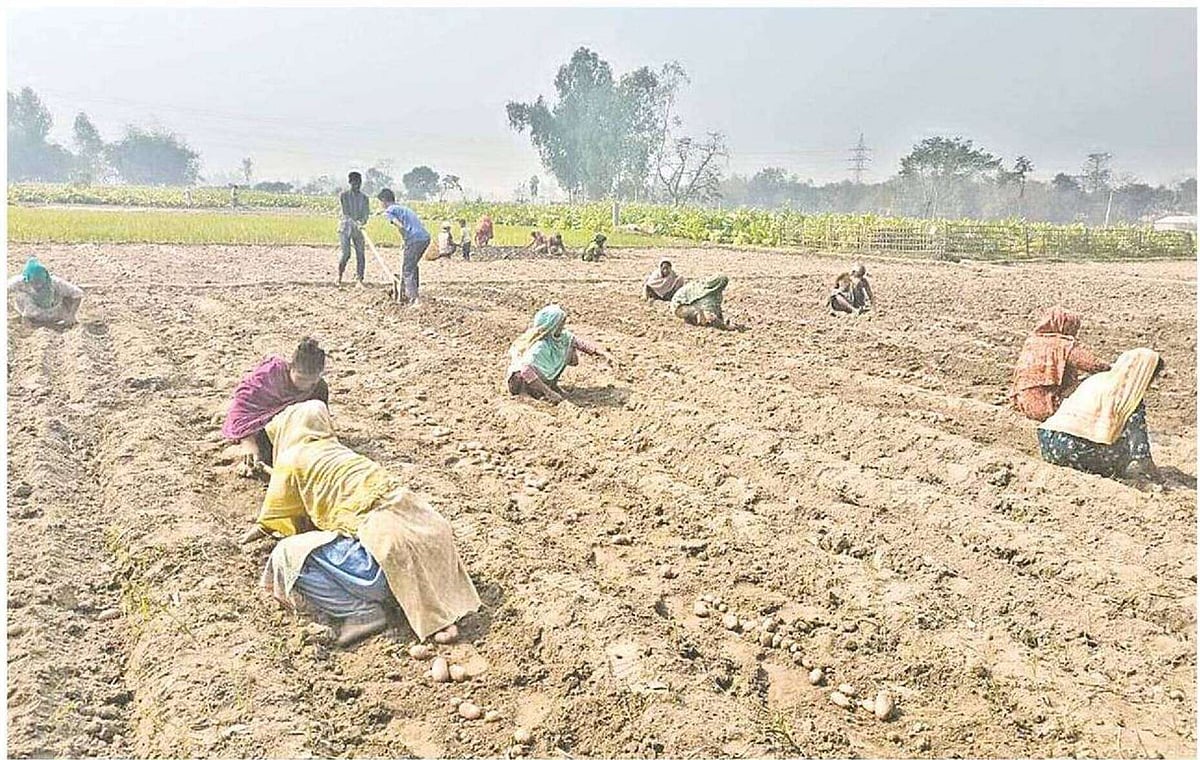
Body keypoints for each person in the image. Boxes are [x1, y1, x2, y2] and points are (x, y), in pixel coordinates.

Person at [242, 401, 481, 648]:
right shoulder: (343, 454)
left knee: (286, 555)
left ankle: (362, 613)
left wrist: (250, 536)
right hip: (434, 550)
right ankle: (426, 604)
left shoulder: (292, 458)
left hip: (385, 567)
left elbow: (273, 519)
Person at [1037, 348, 1164, 485]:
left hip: (1048, 442)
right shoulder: (1130, 398)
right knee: (1124, 449)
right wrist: (1157, 478)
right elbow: (1140, 451)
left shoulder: (1096, 379)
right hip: (1071, 451)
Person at [222, 338, 329, 476]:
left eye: (313, 380)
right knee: (263, 456)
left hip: (295, 431)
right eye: (301, 379)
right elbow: (242, 410)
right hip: (265, 428)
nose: (307, 385)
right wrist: (248, 443)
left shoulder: (317, 387)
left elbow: (319, 421)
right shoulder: (269, 377)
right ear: (291, 368)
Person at [1011, 307, 1110, 422]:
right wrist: (1114, 368)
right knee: (1093, 384)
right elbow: (1092, 365)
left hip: (1024, 403)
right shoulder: (1063, 344)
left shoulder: (1032, 341)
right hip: (1049, 404)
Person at [506, 304, 614, 405]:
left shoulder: (564, 337)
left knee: (569, 348)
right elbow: (525, 370)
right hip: (523, 381)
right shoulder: (540, 346)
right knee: (521, 378)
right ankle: (535, 392)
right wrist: (549, 393)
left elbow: (580, 344)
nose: (563, 326)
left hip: (540, 376)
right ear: (552, 326)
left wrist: (602, 354)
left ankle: (552, 385)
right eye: (561, 323)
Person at [376, 188, 431, 306]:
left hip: (414, 239)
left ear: (384, 200)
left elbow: (400, 225)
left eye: (380, 202)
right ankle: (411, 291)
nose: (380, 205)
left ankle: (414, 299)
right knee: (412, 265)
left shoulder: (389, 211)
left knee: (407, 270)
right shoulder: (403, 208)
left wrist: (406, 239)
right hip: (425, 238)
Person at [7, 257, 84, 328]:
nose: (38, 285)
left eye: (40, 282)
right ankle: (28, 319)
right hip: (31, 312)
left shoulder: (55, 283)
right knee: (21, 295)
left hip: (54, 312)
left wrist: (71, 315)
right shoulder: (19, 282)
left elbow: (78, 294)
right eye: (34, 282)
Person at [337, 172, 371, 287]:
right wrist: (354, 222)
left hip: (359, 230)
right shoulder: (344, 196)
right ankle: (339, 276)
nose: (357, 185)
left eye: (359, 183)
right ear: (350, 183)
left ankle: (359, 279)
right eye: (354, 183)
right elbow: (346, 213)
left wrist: (362, 221)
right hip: (345, 228)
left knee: (360, 254)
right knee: (346, 254)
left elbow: (366, 213)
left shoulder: (364, 198)